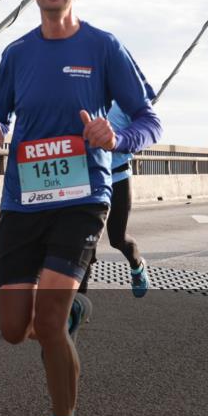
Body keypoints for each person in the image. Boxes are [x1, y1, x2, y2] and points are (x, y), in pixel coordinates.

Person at [0, 0, 161, 416]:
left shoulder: (103, 47)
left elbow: (148, 119)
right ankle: (70, 316)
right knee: (17, 328)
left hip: (82, 199)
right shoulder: (16, 55)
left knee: (50, 321)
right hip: (22, 201)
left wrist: (117, 138)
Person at [79, 99, 153, 297]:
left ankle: (137, 265)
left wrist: (116, 140)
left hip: (119, 178)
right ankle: (77, 307)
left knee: (117, 238)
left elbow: (141, 137)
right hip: (91, 180)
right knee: (86, 243)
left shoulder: (126, 103)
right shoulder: (85, 102)